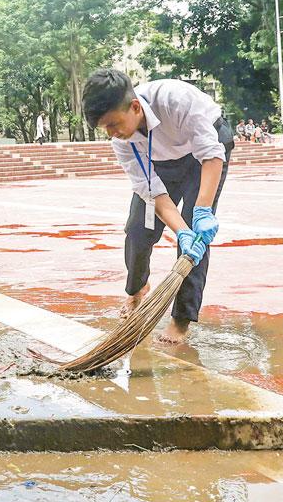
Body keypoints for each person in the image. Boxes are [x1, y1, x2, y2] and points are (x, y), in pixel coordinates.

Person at [82, 69, 232, 345]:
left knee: (196, 238)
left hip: (206, 154)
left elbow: (211, 155)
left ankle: (181, 319)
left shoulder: (176, 99)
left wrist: (201, 213)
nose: (113, 133)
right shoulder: (122, 141)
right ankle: (136, 290)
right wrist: (180, 230)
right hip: (161, 162)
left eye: (114, 124)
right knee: (138, 230)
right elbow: (154, 193)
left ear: (135, 107)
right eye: (106, 129)